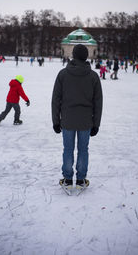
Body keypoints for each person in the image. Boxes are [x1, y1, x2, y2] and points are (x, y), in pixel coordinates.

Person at [52, 44, 103, 190]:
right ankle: (80, 180)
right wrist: (96, 123)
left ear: (73, 56)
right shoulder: (93, 76)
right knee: (83, 149)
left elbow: (56, 99)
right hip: (86, 121)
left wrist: (56, 121)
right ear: (86, 56)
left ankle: (68, 179)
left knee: (68, 149)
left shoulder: (63, 74)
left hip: (67, 120)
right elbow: (98, 102)